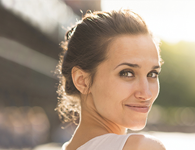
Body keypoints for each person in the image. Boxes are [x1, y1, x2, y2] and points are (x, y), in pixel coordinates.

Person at [55, 9, 165, 150]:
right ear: (82, 80)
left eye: (152, 74)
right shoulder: (142, 147)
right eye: (127, 73)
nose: (146, 93)